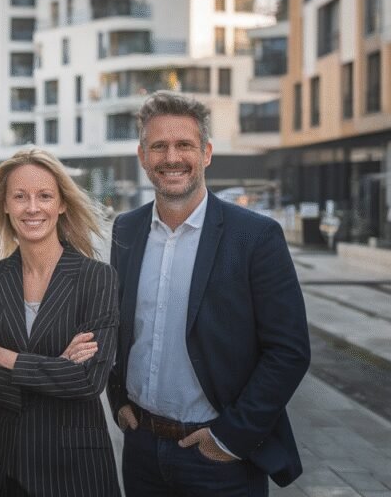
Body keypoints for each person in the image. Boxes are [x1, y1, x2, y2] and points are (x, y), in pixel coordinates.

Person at [108, 91, 310, 495]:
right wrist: (118, 398)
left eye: (184, 144)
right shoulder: (125, 230)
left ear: (206, 153)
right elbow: (119, 324)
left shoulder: (255, 236)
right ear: (142, 155)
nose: (171, 158)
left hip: (218, 458)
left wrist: (230, 438)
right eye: (158, 146)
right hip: (142, 448)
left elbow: (289, 350)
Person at [0, 149, 121, 497]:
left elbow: (89, 379)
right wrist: (56, 370)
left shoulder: (97, 278)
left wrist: (0, 356)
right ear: (4, 204)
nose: (32, 208)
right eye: (20, 196)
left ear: (61, 204)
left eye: (44, 196)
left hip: (73, 470)